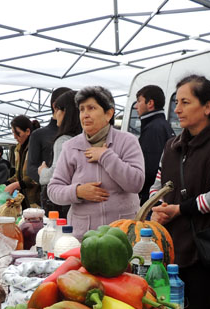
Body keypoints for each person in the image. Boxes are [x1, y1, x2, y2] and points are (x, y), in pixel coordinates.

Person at [149, 75, 210, 309]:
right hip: (170, 247)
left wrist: (180, 209)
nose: (177, 109)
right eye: (176, 102)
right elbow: (156, 185)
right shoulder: (172, 146)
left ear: (207, 107)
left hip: (206, 252)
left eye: (185, 102)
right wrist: (157, 207)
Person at [48, 86, 145, 238]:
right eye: (81, 109)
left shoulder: (127, 141)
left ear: (109, 113)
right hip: (84, 237)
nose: (85, 115)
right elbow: (53, 189)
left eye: (91, 108)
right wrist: (78, 191)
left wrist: (106, 156)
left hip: (124, 235)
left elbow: (136, 183)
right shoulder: (70, 147)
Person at [27, 87, 71, 211]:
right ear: (55, 106)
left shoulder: (80, 134)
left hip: (75, 196)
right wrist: (48, 177)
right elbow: (31, 168)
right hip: (51, 199)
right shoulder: (39, 135)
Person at [39, 89, 80, 217]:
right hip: (78, 203)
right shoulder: (83, 138)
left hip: (61, 205)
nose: (55, 114)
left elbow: (54, 174)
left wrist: (42, 171)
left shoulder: (63, 140)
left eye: (57, 110)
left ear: (66, 112)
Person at [135, 85, 175, 205]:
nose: (136, 106)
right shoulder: (163, 125)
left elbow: (150, 169)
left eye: (139, 101)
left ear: (150, 103)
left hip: (152, 198)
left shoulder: (153, 129)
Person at [5, 115, 40, 207]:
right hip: (23, 200)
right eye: (13, 133)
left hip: (36, 200)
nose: (15, 137)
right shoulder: (18, 149)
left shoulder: (36, 147)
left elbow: (38, 175)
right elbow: (19, 174)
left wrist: (17, 185)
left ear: (28, 131)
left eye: (17, 133)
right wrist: (7, 183)